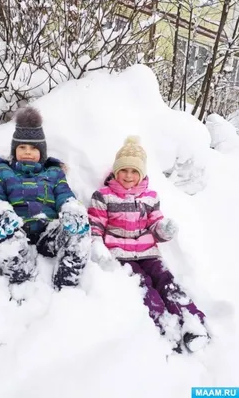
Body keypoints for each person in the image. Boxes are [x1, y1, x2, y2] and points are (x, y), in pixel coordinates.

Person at [88, 136, 210, 353]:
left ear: (141, 174)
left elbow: (155, 224)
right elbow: (96, 224)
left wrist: (164, 231)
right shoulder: (103, 196)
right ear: (116, 171)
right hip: (121, 254)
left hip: (148, 252)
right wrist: (97, 244)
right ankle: (166, 326)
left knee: (166, 281)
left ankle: (192, 323)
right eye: (124, 170)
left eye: (134, 171)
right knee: (144, 286)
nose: (128, 176)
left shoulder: (150, 197)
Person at [0, 107, 90, 299]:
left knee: (80, 231)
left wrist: (71, 209)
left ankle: (67, 281)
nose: (27, 152)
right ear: (15, 150)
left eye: (33, 148)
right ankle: (21, 277)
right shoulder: (1, 171)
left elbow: (64, 195)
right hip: (16, 231)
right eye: (22, 147)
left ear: (42, 152)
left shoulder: (54, 173)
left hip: (49, 232)